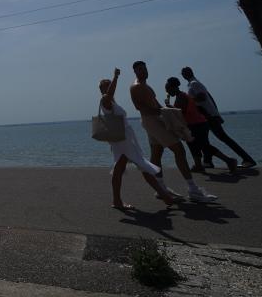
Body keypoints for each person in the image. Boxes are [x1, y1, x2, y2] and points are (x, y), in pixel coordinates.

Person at [130, 61, 217, 203]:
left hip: (153, 120)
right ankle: (193, 189)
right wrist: (161, 112)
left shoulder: (146, 85)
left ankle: (161, 188)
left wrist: (166, 111)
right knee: (179, 150)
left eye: (145, 68)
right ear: (135, 72)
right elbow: (139, 107)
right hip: (151, 121)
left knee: (157, 153)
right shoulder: (136, 87)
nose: (143, 71)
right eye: (140, 69)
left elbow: (155, 103)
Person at [98, 67, 176, 209]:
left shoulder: (113, 103)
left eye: (110, 85)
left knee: (122, 168)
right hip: (121, 140)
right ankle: (163, 194)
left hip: (124, 139)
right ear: (103, 90)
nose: (110, 87)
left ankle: (118, 200)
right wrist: (115, 77)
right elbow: (109, 95)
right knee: (140, 164)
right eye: (107, 86)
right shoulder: (105, 100)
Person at [182, 67, 256, 168]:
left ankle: (248, 159)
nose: (184, 74)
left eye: (185, 72)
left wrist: (188, 100)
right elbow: (209, 97)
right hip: (206, 116)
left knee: (223, 138)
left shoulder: (194, 83)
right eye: (183, 73)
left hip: (209, 116)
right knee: (205, 140)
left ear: (190, 72)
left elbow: (203, 97)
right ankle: (207, 162)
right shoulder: (193, 83)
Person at [165, 77, 237, 174]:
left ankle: (229, 160)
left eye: (168, 89)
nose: (168, 92)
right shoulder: (182, 96)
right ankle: (198, 165)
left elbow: (180, 112)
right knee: (193, 144)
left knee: (204, 146)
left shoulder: (181, 97)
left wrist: (169, 107)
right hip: (196, 124)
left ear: (174, 87)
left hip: (197, 124)